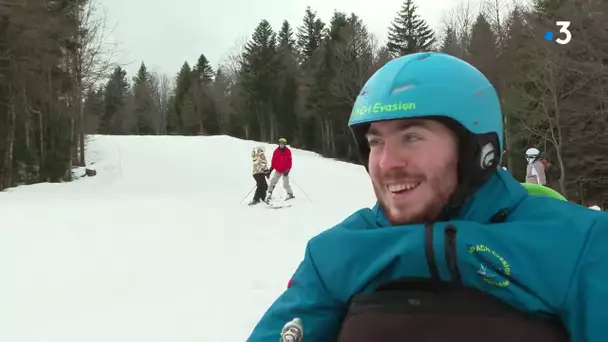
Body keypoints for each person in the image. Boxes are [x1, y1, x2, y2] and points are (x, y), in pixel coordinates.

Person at [247, 52, 608, 341]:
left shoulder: (578, 243)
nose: (387, 163)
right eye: (376, 142)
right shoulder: (336, 253)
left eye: (412, 137)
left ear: (478, 150)